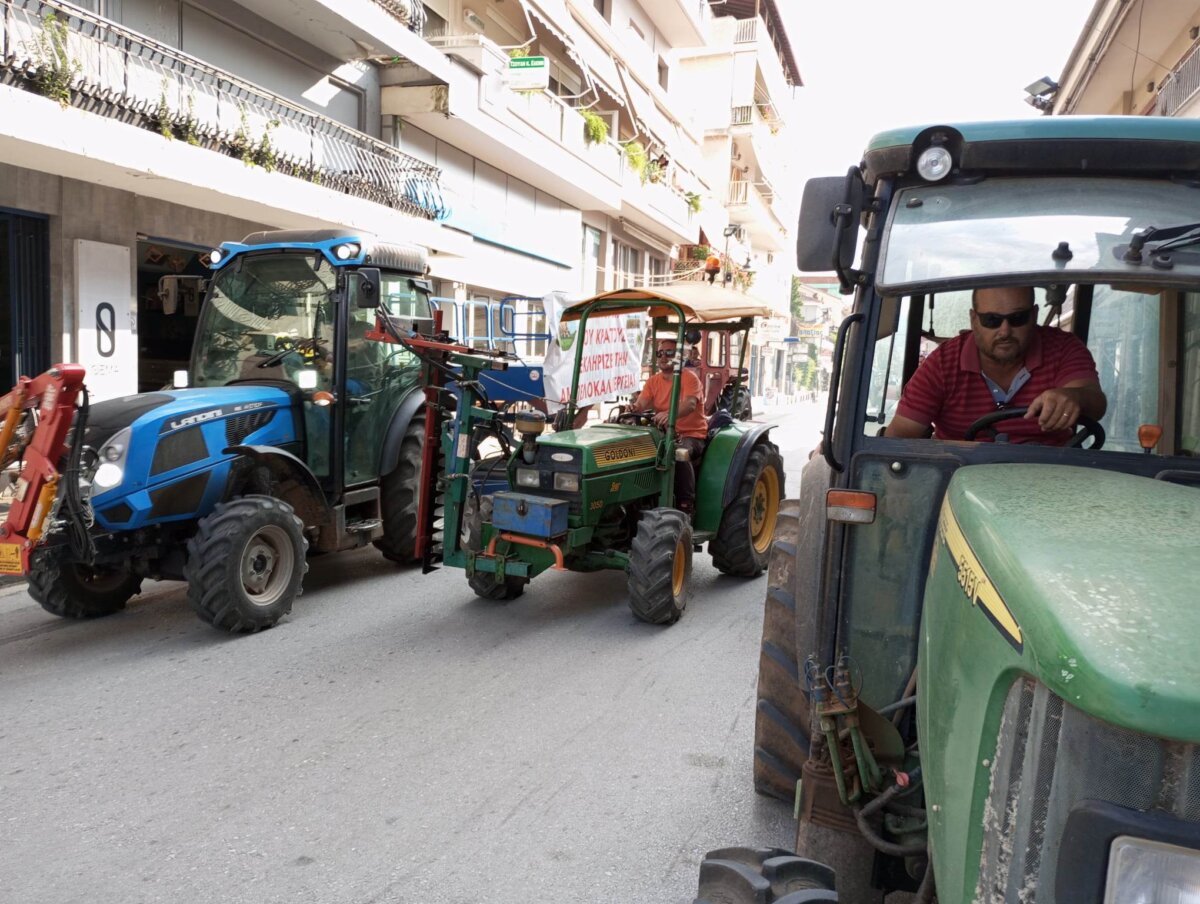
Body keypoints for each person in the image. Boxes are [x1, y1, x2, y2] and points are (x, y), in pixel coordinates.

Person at [886, 286, 1107, 443]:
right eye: (991, 320)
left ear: (1034, 315)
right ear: (974, 320)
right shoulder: (943, 364)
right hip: (959, 478)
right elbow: (899, 437)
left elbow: (1095, 402)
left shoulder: (1063, 348)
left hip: (1049, 482)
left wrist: (1075, 397)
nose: (1004, 331)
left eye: (1017, 318)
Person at [630, 338, 708, 515]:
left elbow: (689, 404)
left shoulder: (689, 378)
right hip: (663, 434)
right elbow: (642, 403)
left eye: (669, 353)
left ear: (679, 357)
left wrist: (669, 414)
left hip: (690, 435)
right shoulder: (653, 381)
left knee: (678, 453)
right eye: (660, 353)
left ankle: (686, 504)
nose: (663, 357)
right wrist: (633, 408)